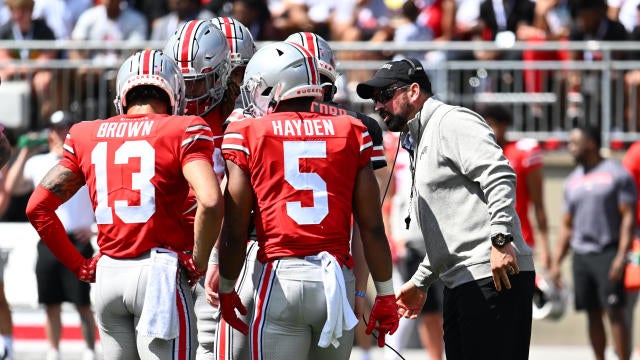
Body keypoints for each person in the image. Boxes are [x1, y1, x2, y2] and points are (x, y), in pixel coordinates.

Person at [25, 49, 224, 359]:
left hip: (108, 275)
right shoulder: (183, 128)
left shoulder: (85, 134)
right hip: (159, 274)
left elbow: (37, 207)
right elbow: (211, 201)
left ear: (123, 94)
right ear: (174, 93)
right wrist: (199, 262)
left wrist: (81, 266)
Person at [218, 41, 399, 359]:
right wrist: (384, 293)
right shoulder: (353, 129)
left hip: (281, 276)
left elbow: (234, 227)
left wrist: (228, 286)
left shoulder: (248, 131)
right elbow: (371, 226)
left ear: (275, 85)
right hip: (336, 281)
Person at [356, 57, 536, 360]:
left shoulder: (452, 121)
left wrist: (501, 240)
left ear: (414, 91)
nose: (378, 105)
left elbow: (499, 174)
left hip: (493, 275)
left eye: (386, 95)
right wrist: (421, 280)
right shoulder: (420, 137)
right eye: (375, 99)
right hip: (461, 279)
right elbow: (453, 231)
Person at [285, 31, 389, 360]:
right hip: (334, 270)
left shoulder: (256, 124)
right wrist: (361, 288)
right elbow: (367, 223)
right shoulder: (357, 127)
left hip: (272, 270)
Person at [4, 111, 97, 360]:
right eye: (56, 128)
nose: (60, 133)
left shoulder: (86, 160)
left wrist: (95, 228)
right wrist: (25, 152)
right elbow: (12, 188)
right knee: (51, 302)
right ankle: (53, 350)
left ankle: (89, 350)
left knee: (82, 303)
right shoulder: (39, 162)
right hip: (48, 241)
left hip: (77, 239)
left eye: (65, 128)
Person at [551, 125, 637, 360]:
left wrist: (621, 256)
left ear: (590, 143)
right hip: (582, 255)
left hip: (608, 252)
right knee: (591, 313)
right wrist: (557, 261)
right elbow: (567, 226)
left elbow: (628, 218)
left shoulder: (617, 174)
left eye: (574, 142)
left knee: (615, 312)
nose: (569, 147)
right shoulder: (572, 182)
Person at [482, 105, 552, 270]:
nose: (487, 130)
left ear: (504, 125)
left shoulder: (522, 152)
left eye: (491, 124)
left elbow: (538, 203)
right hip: (485, 242)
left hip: (518, 240)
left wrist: (545, 247)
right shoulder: (480, 155)